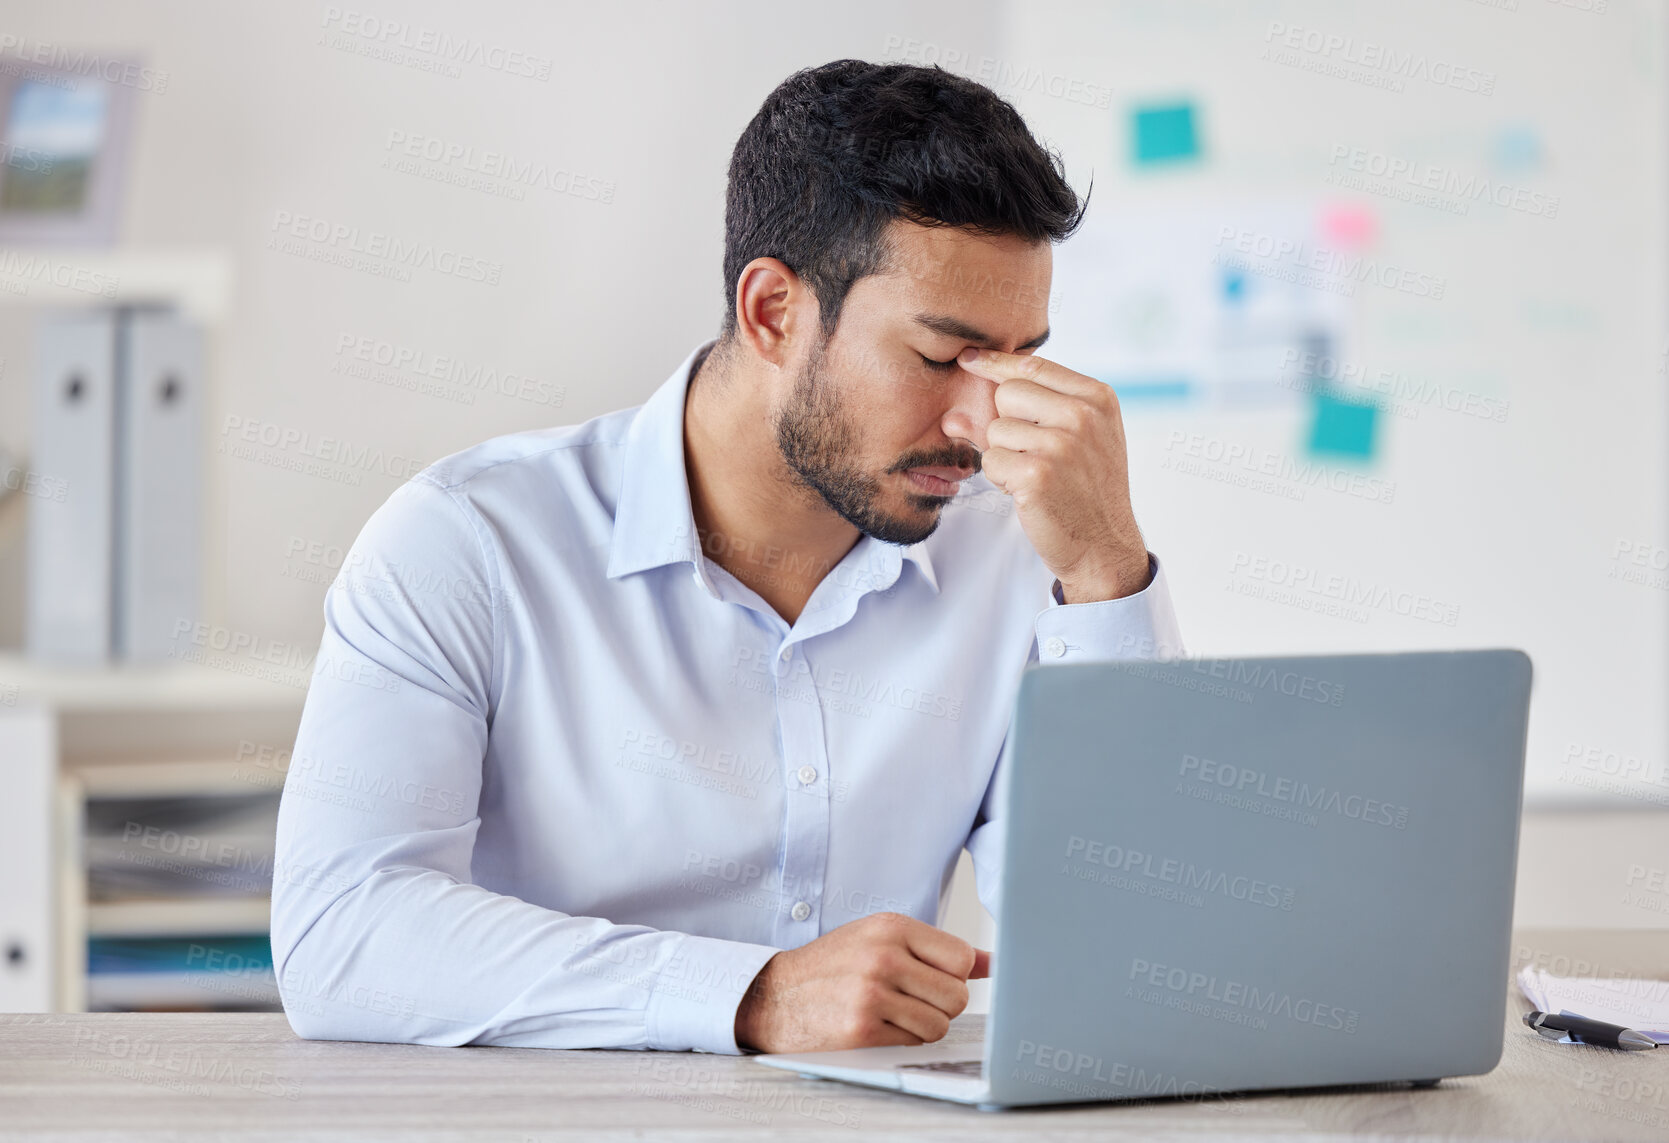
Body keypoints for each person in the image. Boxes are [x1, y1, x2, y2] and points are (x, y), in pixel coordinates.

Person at [271, 58, 1182, 1057]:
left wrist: (1105, 574)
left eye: (1015, 362)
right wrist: (750, 996)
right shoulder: (466, 543)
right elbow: (342, 935)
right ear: (773, 313)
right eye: (939, 359)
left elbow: (1138, 963)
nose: (980, 422)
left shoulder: (1012, 555)